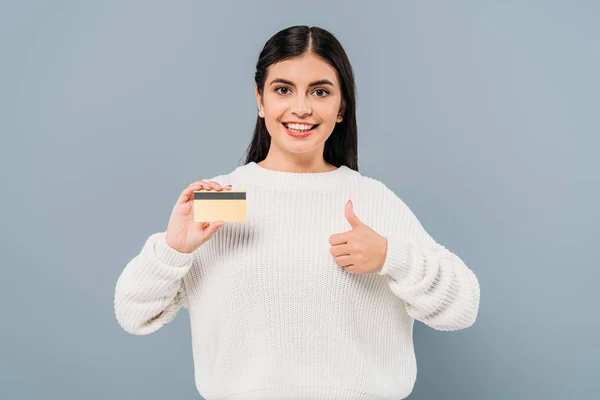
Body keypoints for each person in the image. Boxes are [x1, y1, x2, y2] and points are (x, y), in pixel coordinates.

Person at [114, 25, 480, 400]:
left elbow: (462, 309)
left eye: (320, 92)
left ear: (341, 109)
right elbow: (134, 314)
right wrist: (174, 250)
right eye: (283, 89)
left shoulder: (371, 201)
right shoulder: (224, 199)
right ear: (260, 101)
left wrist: (392, 258)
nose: (301, 108)